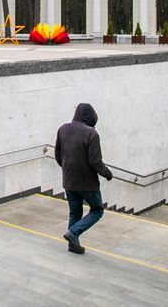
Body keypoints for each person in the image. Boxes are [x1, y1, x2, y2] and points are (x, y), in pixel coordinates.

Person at [54, 102, 113, 254]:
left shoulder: (63, 129)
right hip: (87, 183)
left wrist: (68, 169)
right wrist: (107, 174)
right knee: (97, 210)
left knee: (75, 213)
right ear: (91, 119)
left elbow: (58, 155)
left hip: (69, 181)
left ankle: (72, 244)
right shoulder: (91, 134)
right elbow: (95, 161)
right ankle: (73, 233)